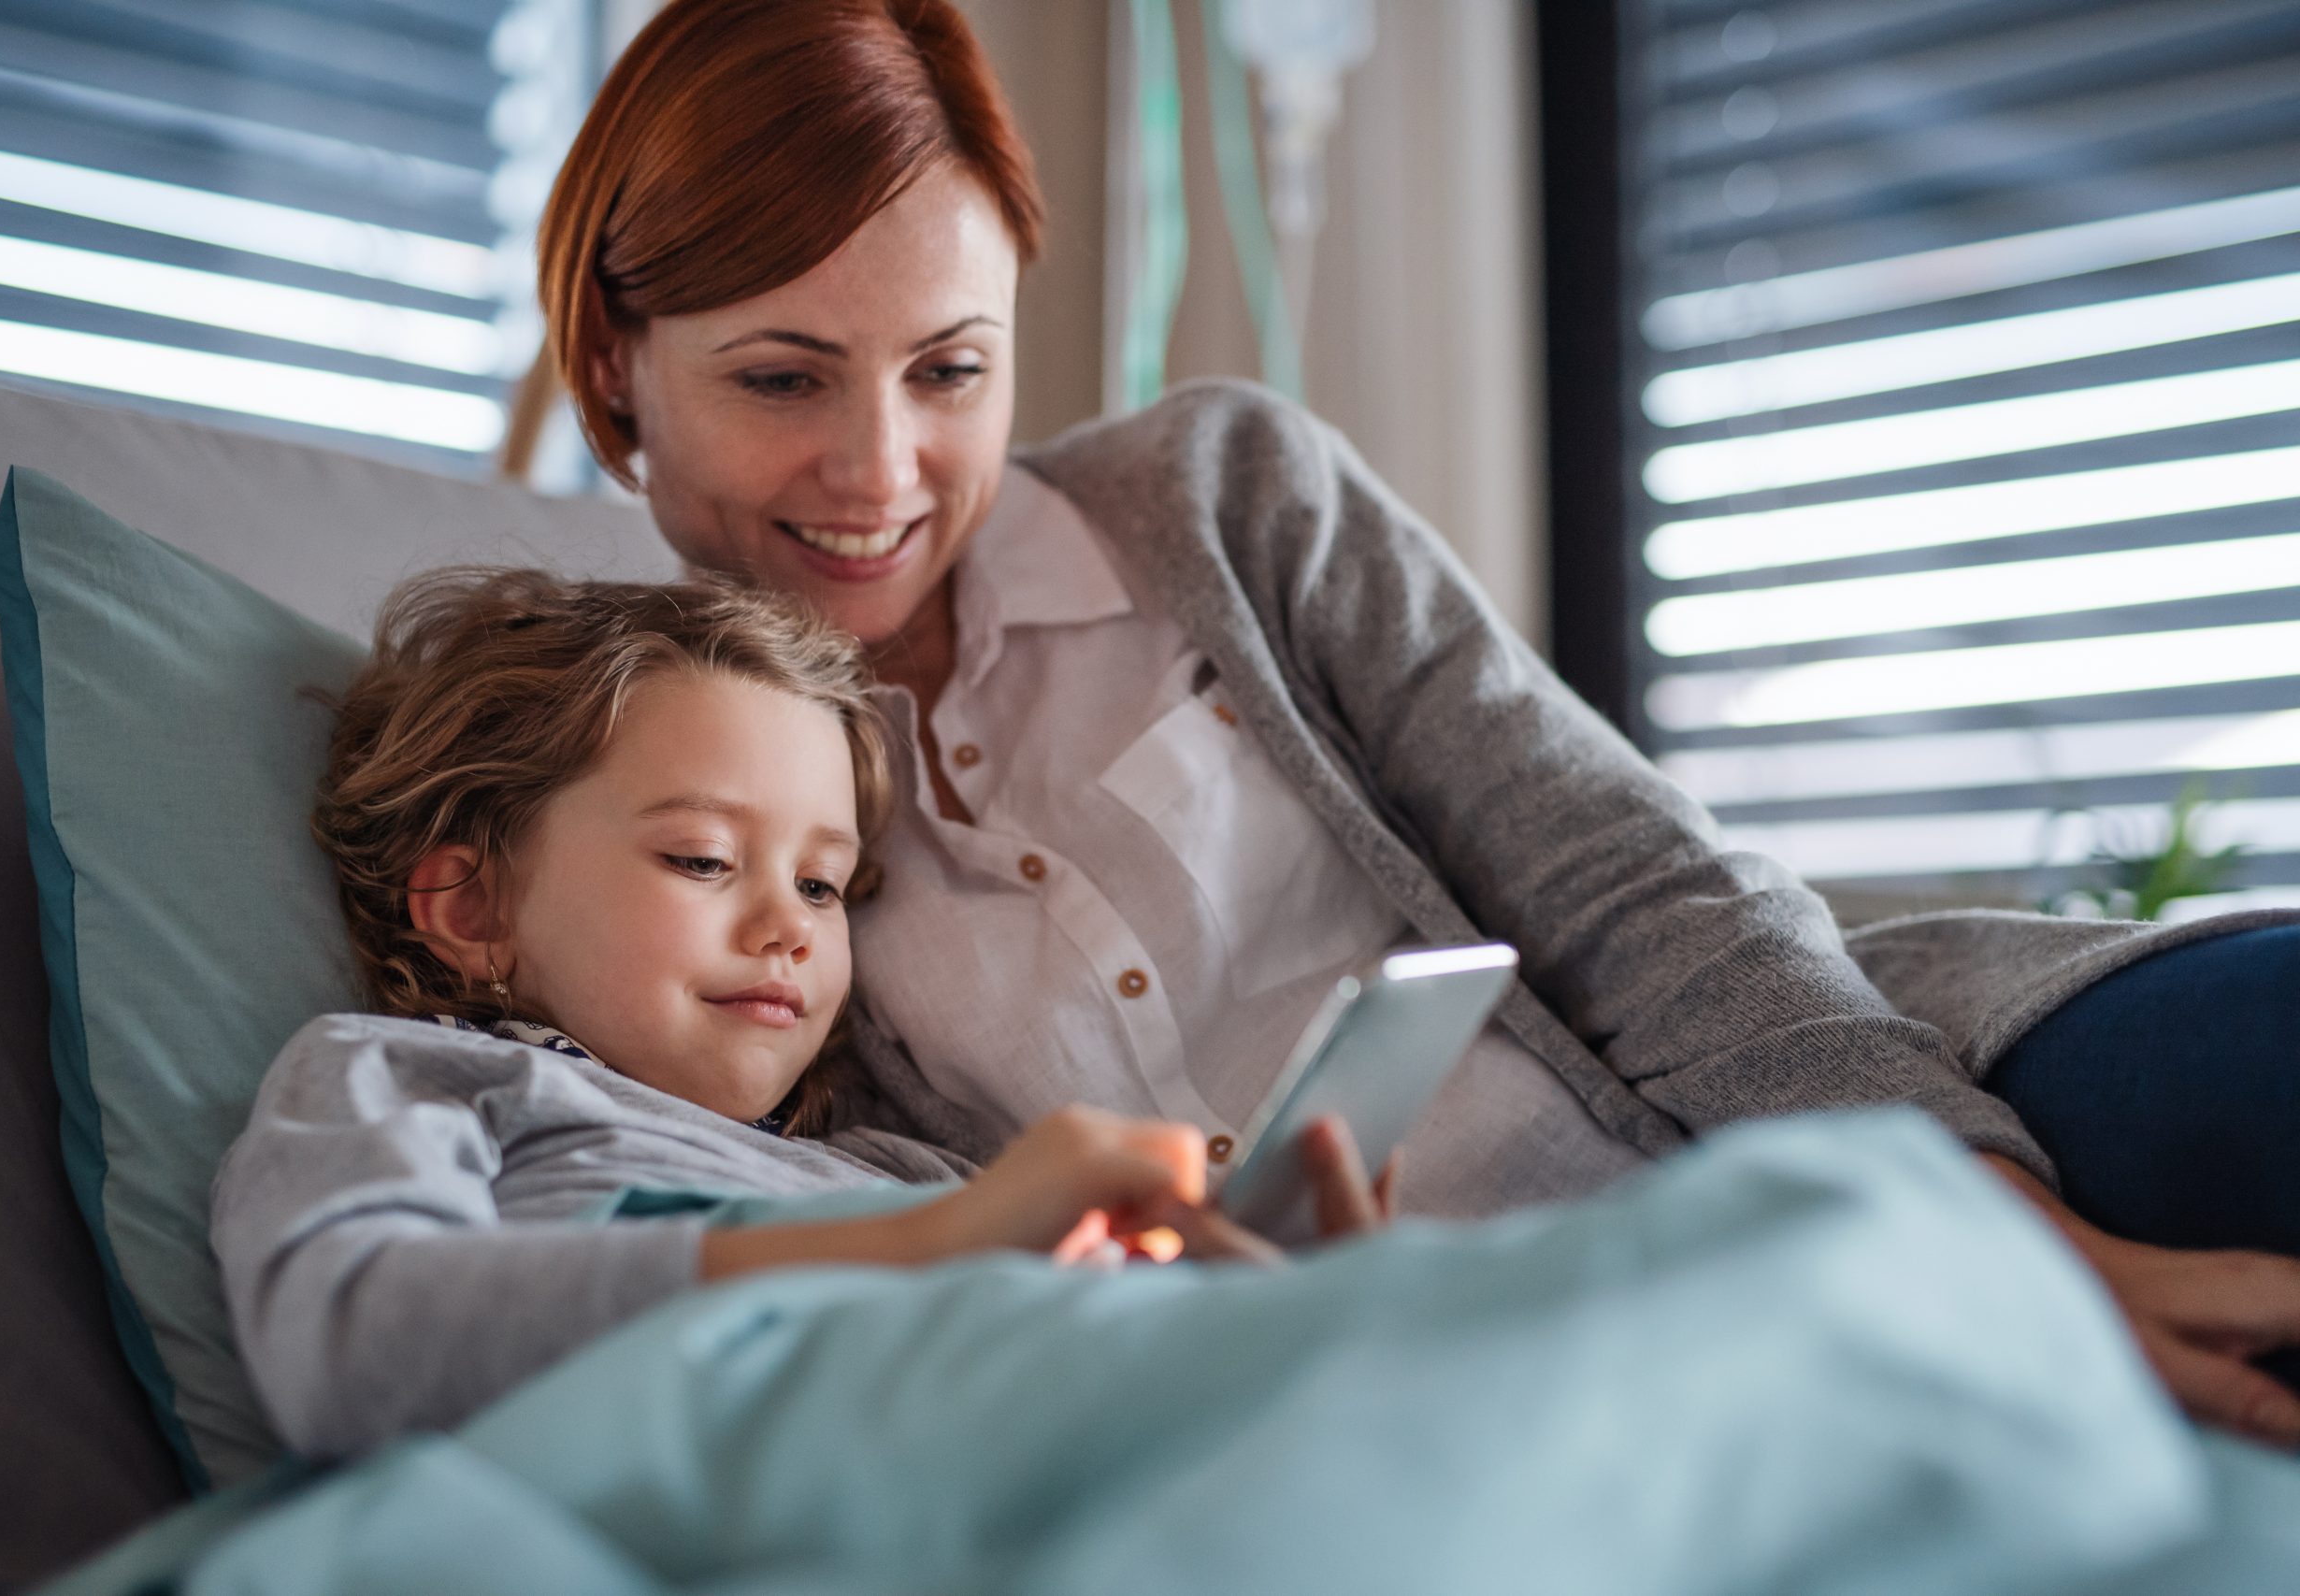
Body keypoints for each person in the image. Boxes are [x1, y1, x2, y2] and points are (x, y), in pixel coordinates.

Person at [503, 0, 2300, 1442]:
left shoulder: (1224, 497)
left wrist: (2007, 1234)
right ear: (613, 368)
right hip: (1417, 1392)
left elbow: (1633, 883)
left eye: (949, 368)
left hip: (1769, 1116)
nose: (881, 472)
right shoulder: (641, 790)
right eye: (780, 377)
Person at [212, 568, 1387, 1458]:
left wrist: (1271, 1308)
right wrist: (931, 1251)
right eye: (703, 859)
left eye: (822, 884)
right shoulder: (413, 1080)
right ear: (470, 906)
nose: (791, 927)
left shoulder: (901, 1169)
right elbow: (348, 1347)